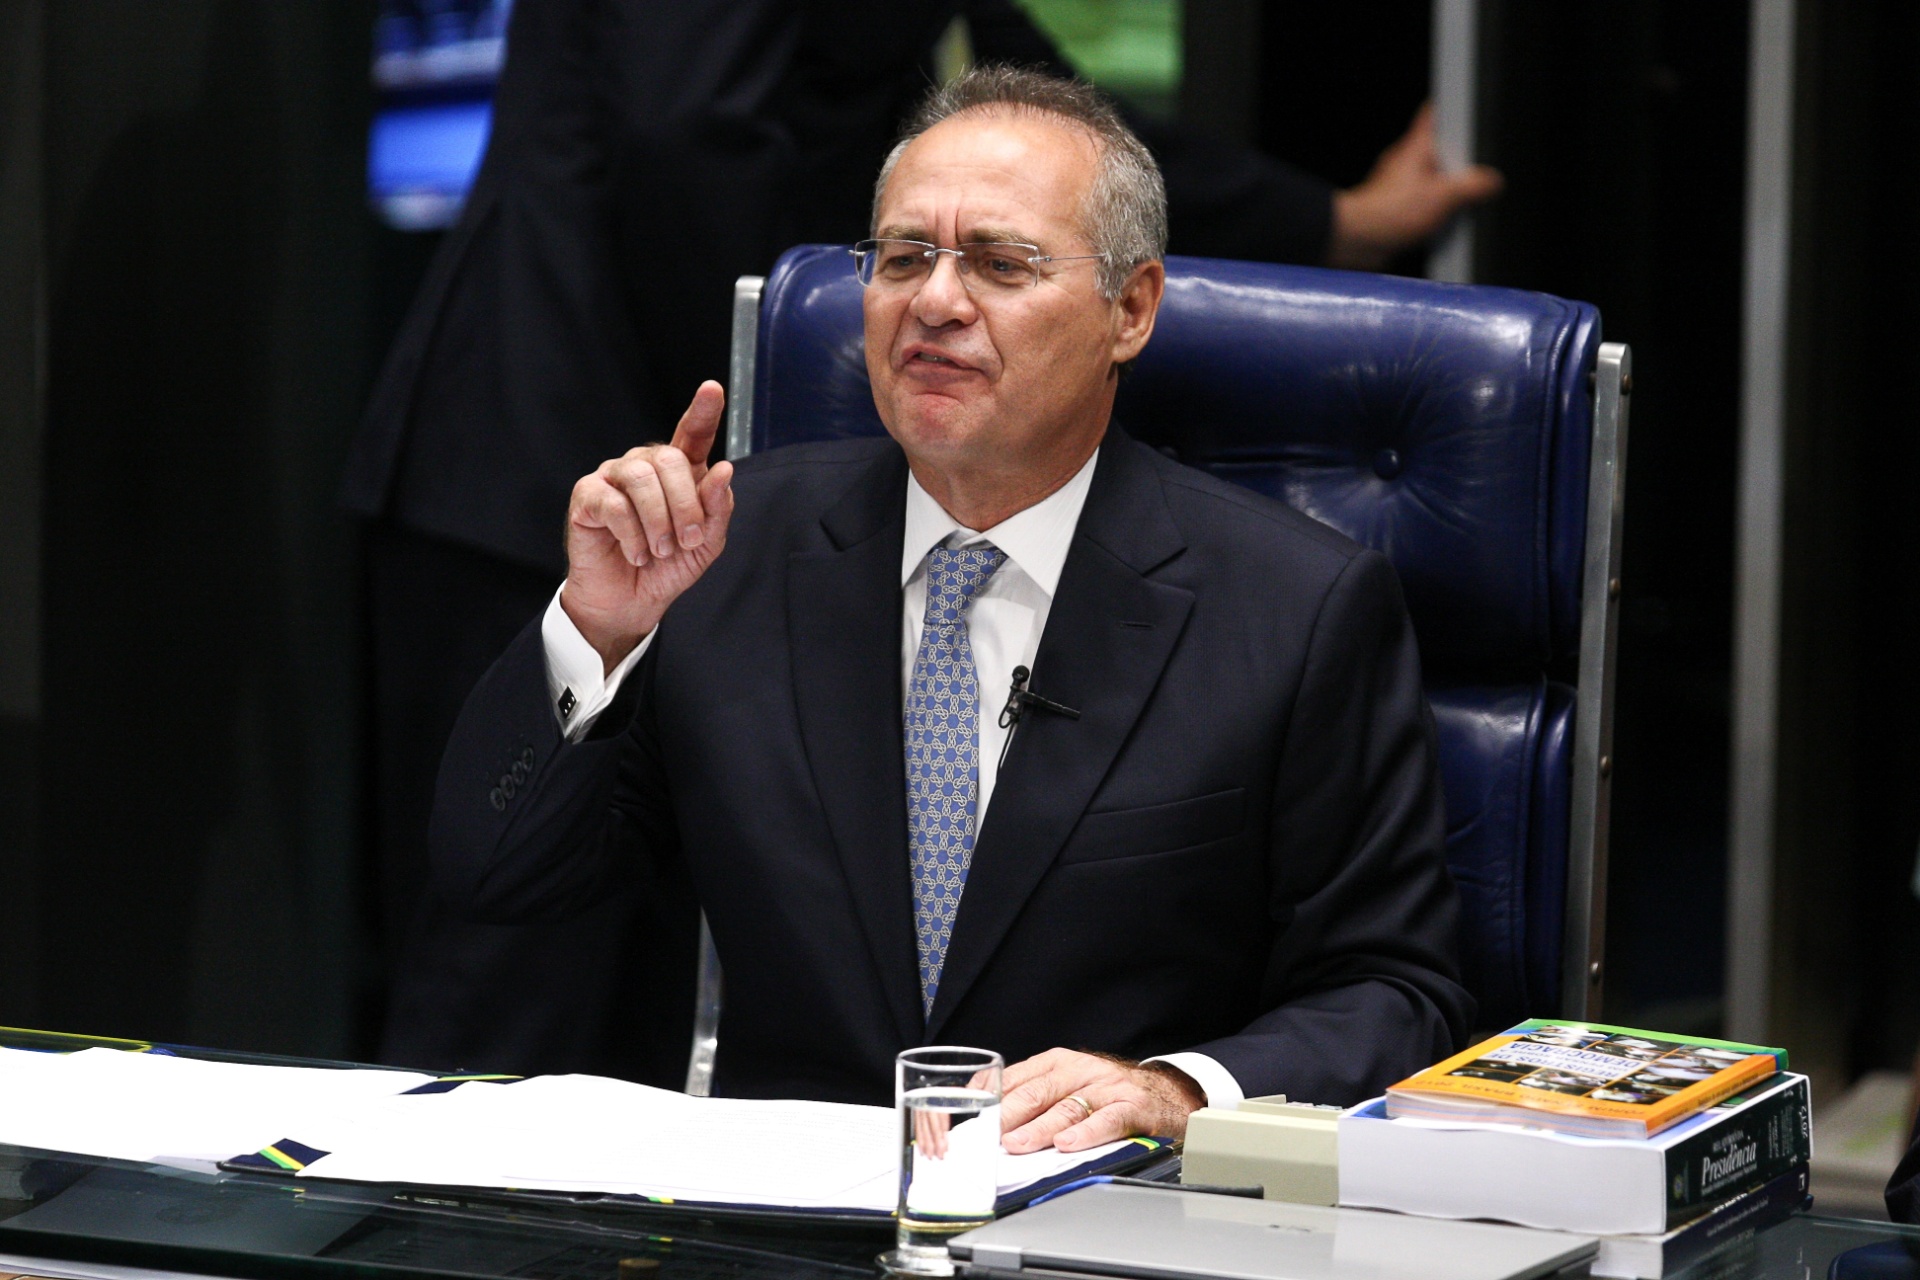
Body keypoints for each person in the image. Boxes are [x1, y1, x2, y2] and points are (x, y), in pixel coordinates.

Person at [347, 0, 1497, 1082]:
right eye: (901, 260)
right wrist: (594, 634)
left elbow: (1395, 990)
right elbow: (497, 879)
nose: (936, 302)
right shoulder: (733, 559)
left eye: (999, 265)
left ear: (1131, 310)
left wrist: (1181, 1090)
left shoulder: (1294, 606)